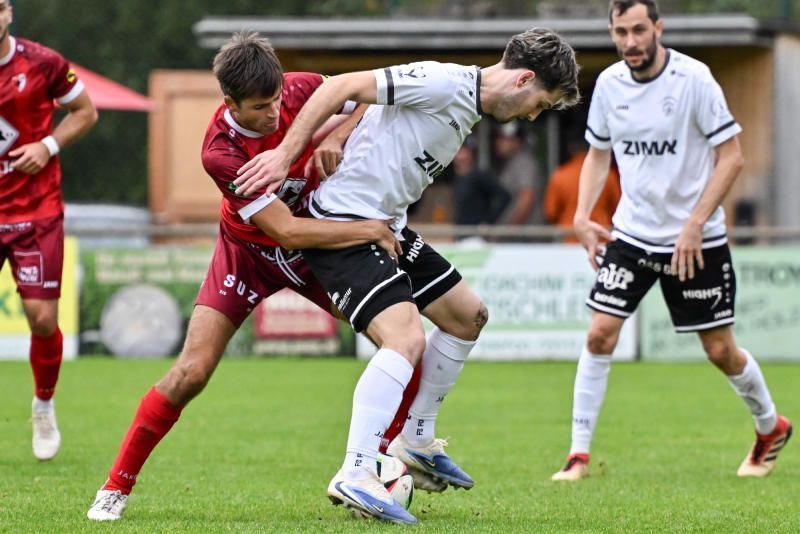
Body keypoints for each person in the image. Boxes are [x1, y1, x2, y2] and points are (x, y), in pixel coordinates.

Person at [234, 28, 579, 524]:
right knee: (404, 340)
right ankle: (355, 471)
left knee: (468, 316)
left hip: (387, 227)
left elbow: (371, 104)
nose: (533, 116)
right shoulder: (443, 82)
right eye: (540, 104)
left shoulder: (465, 103)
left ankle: (415, 438)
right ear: (524, 78)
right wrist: (286, 154)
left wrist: (341, 132)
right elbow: (341, 87)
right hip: (344, 225)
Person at [86, 32, 402, 522]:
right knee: (191, 373)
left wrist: (337, 133)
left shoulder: (296, 88)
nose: (275, 113)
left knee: (400, 338)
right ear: (229, 101)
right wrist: (370, 230)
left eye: (276, 100)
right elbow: (284, 230)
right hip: (251, 254)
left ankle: (383, 464)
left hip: (312, 251)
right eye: (260, 107)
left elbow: (361, 95)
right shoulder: (220, 152)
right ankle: (115, 486)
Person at [551, 0, 791, 482]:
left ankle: (771, 427)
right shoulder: (610, 86)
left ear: (658, 28)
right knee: (600, 333)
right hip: (633, 234)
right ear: (613, 32)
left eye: (639, 30)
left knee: (720, 350)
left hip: (696, 239)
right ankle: (577, 456)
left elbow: (732, 157)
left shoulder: (694, 79)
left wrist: (695, 223)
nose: (631, 42)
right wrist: (581, 214)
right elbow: (598, 155)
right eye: (621, 32)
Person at [0, 0, 98, 461]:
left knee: (41, 319)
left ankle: (43, 405)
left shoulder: (42, 62)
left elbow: (85, 111)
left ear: (9, 13)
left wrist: (48, 144)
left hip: (35, 212)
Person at [543, 137, 621, 242]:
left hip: (569, 238)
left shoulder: (560, 175)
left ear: (571, 149)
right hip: (601, 237)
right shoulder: (608, 175)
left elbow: (551, 212)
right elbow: (618, 207)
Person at [494, 122, 545, 225]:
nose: (500, 142)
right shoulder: (511, 163)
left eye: (506, 139)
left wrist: (511, 229)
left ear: (518, 142)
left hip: (527, 235)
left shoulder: (524, 161)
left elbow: (527, 197)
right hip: (516, 236)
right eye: (500, 138)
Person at [452, 140, 511, 226]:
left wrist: (488, 220)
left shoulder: (479, 176)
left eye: (463, 151)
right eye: (457, 151)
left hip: (476, 234)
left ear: (471, 154)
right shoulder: (459, 178)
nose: (459, 156)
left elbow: (504, 196)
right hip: (461, 232)